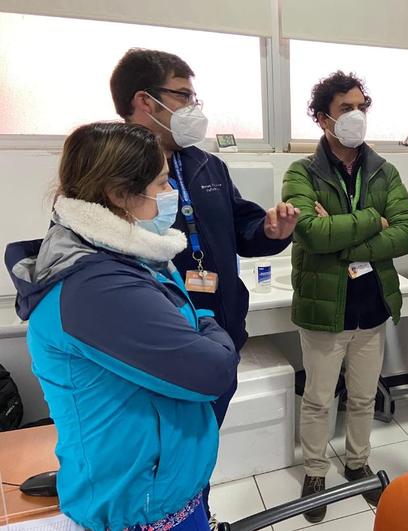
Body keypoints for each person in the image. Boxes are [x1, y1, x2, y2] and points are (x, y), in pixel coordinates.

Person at [4, 123, 238, 531]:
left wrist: (198, 330)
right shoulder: (98, 288)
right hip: (140, 504)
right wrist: (207, 321)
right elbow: (212, 371)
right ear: (118, 194)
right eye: (161, 182)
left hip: (161, 485)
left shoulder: (129, 257)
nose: (172, 192)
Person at [110, 48, 298, 521]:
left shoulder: (205, 165)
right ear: (145, 101)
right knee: (164, 453)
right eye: (184, 95)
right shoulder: (112, 168)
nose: (194, 107)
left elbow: (241, 226)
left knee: (201, 442)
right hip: (159, 340)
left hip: (220, 330)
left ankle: (199, 512)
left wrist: (270, 230)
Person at [282, 71, 408, 522]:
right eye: (346, 108)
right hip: (325, 312)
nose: (356, 115)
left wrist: (342, 239)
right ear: (323, 119)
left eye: (362, 107)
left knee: (362, 398)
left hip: (371, 308)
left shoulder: (383, 170)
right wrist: (373, 220)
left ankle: (358, 464)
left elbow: (406, 231)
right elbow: (310, 232)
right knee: (319, 399)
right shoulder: (301, 172)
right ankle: (315, 472)